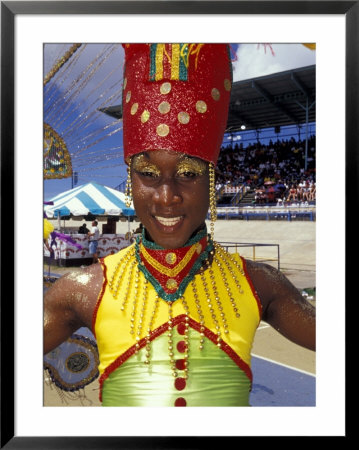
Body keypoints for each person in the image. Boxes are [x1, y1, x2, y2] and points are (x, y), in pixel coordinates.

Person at [44, 44, 315, 407]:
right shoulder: (81, 289)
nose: (166, 196)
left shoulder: (261, 285)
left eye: (188, 174)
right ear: (130, 182)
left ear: (211, 182)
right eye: (148, 174)